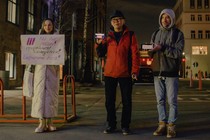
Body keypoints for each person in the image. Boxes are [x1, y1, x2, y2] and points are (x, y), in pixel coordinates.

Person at [95, 10, 140, 135]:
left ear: (123, 21)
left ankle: (125, 125)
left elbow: (135, 54)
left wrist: (135, 71)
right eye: (114, 20)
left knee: (127, 101)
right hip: (109, 73)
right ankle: (111, 124)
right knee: (109, 101)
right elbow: (100, 53)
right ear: (111, 22)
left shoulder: (130, 35)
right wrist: (98, 44)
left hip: (125, 73)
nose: (117, 21)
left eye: (119, 19)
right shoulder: (107, 36)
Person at [148, 9, 184, 138]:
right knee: (160, 101)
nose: (165, 20)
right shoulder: (156, 33)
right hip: (157, 72)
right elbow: (151, 52)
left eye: (168, 17)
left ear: (172, 19)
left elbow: (178, 53)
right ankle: (162, 124)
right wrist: (149, 51)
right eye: (163, 17)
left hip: (171, 72)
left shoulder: (178, 34)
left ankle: (171, 127)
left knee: (172, 101)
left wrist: (163, 48)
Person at [31, 18, 60, 133]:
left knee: (51, 96)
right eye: (46, 25)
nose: (48, 27)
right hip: (40, 71)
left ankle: (50, 122)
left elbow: (63, 55)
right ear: (43, 27)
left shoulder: (58, 40)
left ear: (53, 27)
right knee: (40, 96)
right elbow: (31, 53)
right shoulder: (37, 40)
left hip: (52, 72)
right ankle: (41, 123)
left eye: (50, 25)